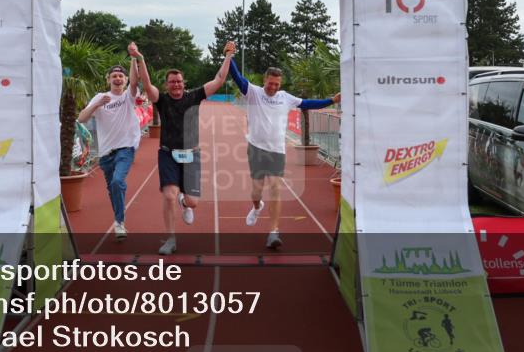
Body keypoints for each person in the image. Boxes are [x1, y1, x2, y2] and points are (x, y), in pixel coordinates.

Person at [136, 41, 235, 255]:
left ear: (184, 83)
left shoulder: (194, 96)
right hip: (168, 154)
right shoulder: (161, 100)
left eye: (179, 81)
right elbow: (146, 84)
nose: (176, 85)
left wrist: (228, 56)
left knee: (193, 202)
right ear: (166, 85)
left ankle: (185, 201)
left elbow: (219, 79)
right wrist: (140, 59)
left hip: (192, 155)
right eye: (172, 82)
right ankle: (171, 239)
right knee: (169, 195)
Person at [230, 62, 339, 249]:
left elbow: (308, 104)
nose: (273, 87)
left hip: (276, 151)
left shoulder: (286, 98)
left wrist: (332, 100)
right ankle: (257, 206)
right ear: (265, 80)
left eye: (277, 84)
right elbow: (237, 77)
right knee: (256, 191)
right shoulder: (253, 92)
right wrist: (230, 55)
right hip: (256, 149)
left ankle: (274, 232)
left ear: (280, 84)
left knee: (275, 187)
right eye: (270, 83)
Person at [77, 61, 140, 240]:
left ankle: (119, 222)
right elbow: (81, 118)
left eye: (121, 76)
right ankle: (119, 218)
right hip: (106, 153)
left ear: (125, 80)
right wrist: (96, 105)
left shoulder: (128, 96)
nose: (117, 78)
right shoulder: (100, 97)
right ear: (108, 80)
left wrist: (134, 59)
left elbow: (135, 82)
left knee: (117, 181)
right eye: (114, 76)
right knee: (113, 188)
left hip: (125, 148)